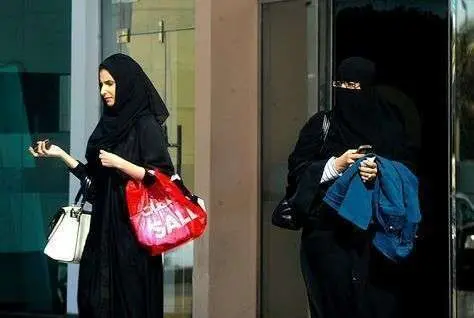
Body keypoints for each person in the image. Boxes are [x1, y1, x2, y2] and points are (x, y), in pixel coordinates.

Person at [28, 53, 173, 318]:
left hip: (133, 240)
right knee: (95, 303)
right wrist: (61, 155)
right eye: (101, 85)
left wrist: (120, 163)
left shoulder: (145, 125)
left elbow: (161, 179)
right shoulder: (106, 127)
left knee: (130, 305)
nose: (104, 91)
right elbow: (94, 186)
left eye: (110, 83)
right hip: (101, 236)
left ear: (127, 83)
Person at [287, 57, 420, 318]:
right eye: (340, 83)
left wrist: (380, 172)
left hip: (377, 244)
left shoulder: (391, 128)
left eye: (354, 85)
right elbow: (296, 174)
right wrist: (335, 165)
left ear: (369, 88)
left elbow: (409, 173)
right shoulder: (322, 126)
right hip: (327, 241)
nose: (346, 91)